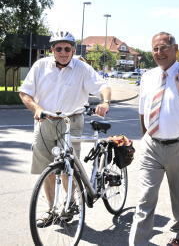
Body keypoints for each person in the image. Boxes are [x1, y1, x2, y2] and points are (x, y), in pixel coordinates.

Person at [19, 31, 111, 227]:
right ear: (52, 49)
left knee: (68, 168)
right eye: (58, 48)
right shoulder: (40, 66)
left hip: (71, 120)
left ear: (73, 50)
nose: (63, 52)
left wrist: (106, 102)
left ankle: (68, 206)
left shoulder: (82, 68)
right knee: (47, 169)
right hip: (45, 121)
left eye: (67, 48)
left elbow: (103, 85)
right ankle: (51, 209)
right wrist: (37, 109)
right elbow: (25, 93)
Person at [129, 32, 179, 246]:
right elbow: (143, 111)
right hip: (152, 145)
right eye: (155, 49)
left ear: (176, 49)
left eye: (164, 47)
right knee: (145, 198)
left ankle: (177, 234)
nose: (159, 52)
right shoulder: (147, 77)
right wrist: (145, 138)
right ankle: (138, 242)